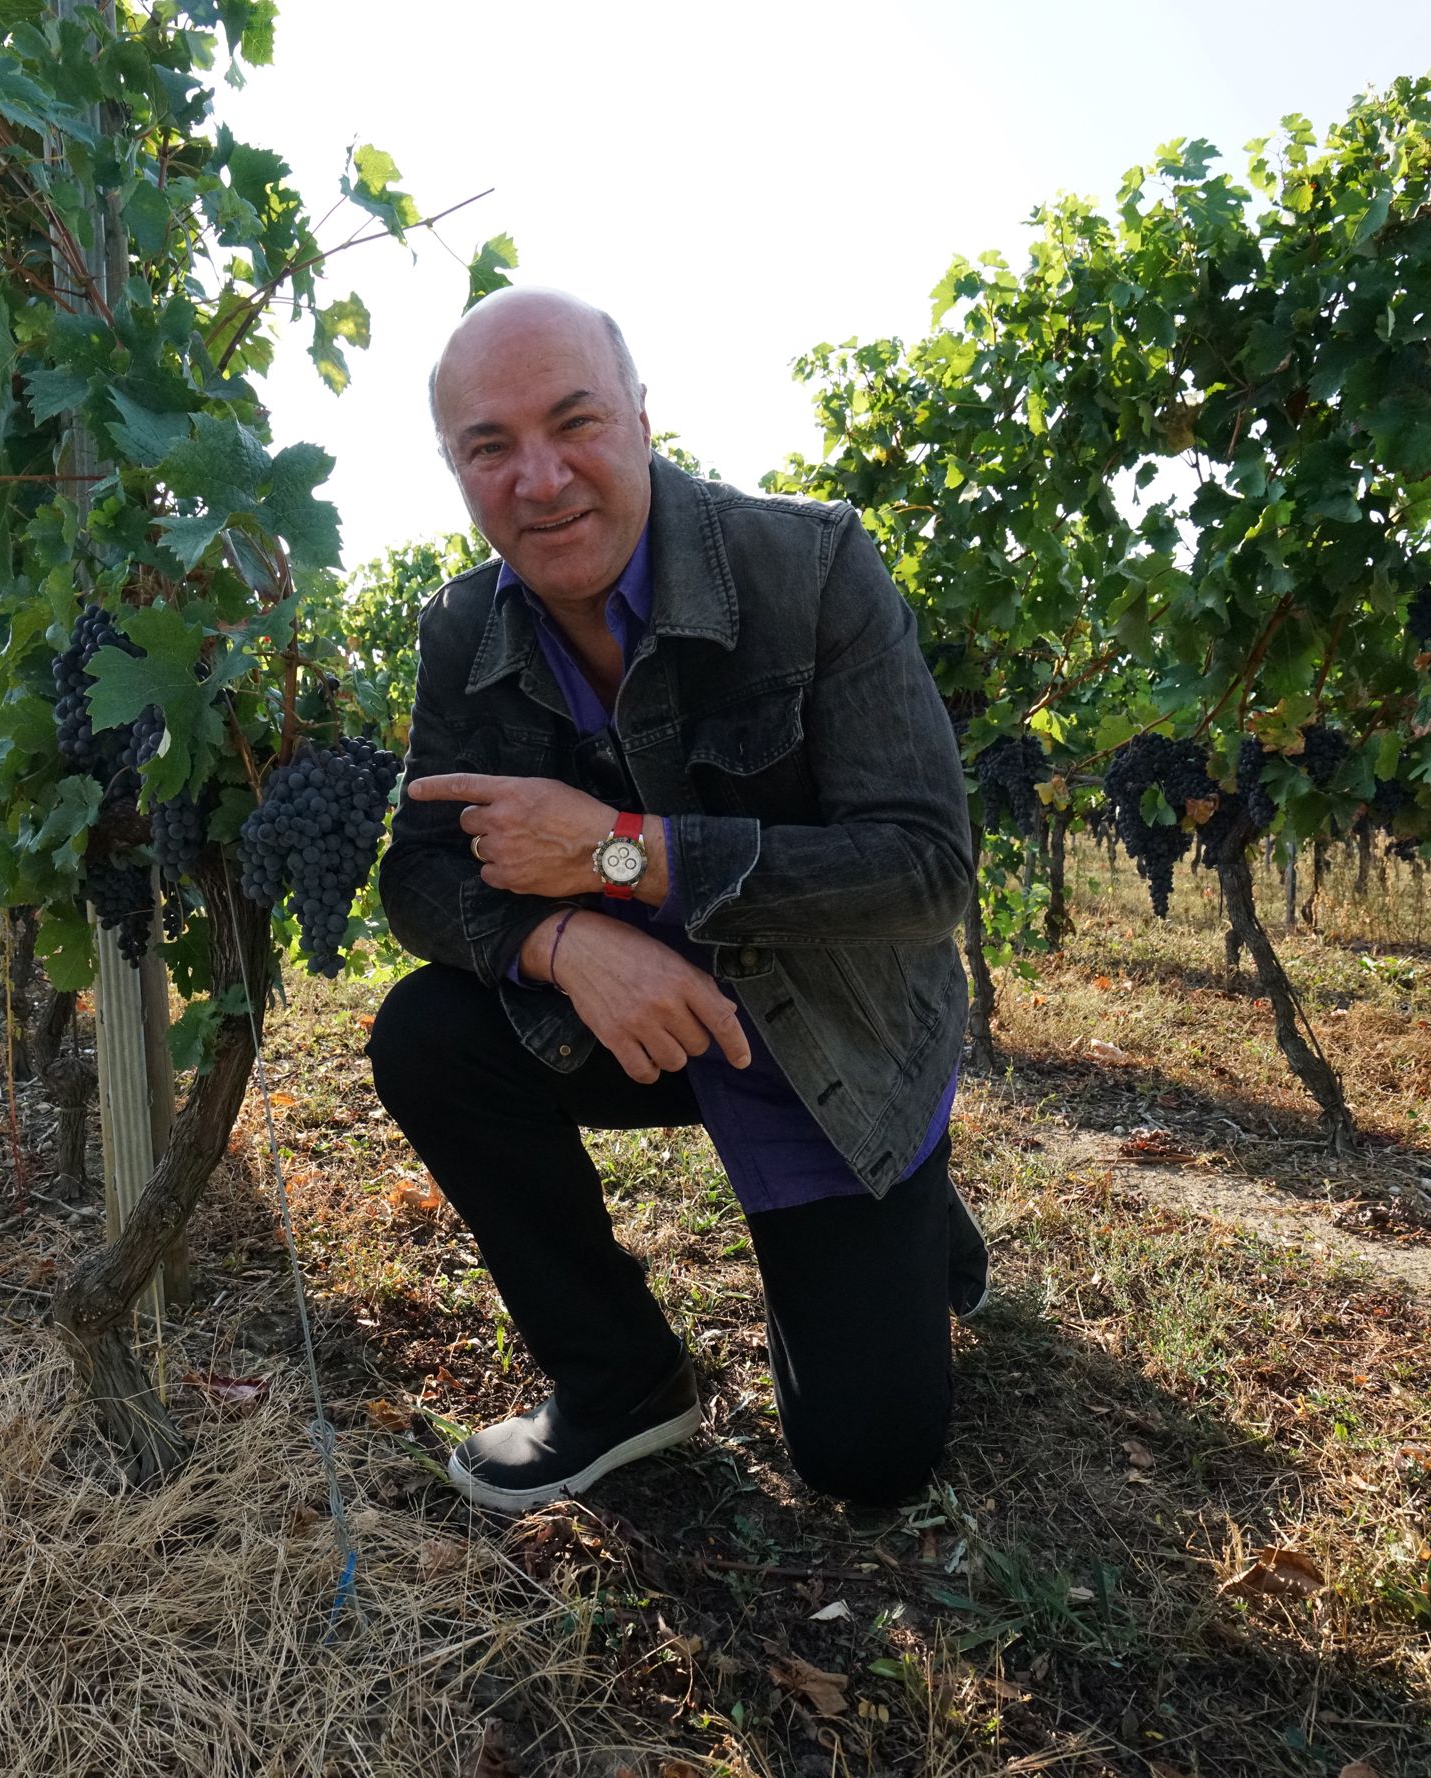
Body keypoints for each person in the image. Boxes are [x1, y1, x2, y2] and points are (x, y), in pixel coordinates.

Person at [366, 287, 985, 1515]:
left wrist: (618, 856)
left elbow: (923, 866)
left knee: (867, 1460)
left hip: (834, 1040)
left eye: (575, 422)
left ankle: (916, 1201)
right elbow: (418, 875)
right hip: (641, 1024)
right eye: (488, 446)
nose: (540, 479)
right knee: (426, 1035)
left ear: (642, 417)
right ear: (454, 468)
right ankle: (620, 1380)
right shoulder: (459, 630)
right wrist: (561, 942)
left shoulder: (811, 565)